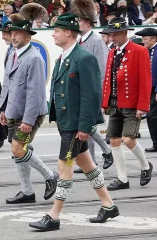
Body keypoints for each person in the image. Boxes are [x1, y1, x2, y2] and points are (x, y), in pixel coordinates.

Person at [29, 13, 119, 231]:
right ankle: (108, 205)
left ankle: (54, 216)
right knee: (86, 164)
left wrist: (85, 127)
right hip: (67, 122)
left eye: (57, 30)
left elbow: (91, 95)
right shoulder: (63, 57)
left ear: (68, 32)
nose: (53, 34)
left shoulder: (83, 57)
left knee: (64, 165)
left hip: (76, 124)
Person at [0, 19, 58, 204]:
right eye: (12, 33)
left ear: (27, 36)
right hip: (14, 110)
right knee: (19, 150)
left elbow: (36, 92)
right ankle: (26, 191)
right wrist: (3, 109)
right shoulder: (13, 54)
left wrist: (28, 121)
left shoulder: (34, 57)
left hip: (29, 113)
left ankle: (50, 175)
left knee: (18, 148)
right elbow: (7, 84)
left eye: (17, 33)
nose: (13, 36)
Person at [102, 17, 153, 191]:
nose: (112, 37)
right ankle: (122, 179)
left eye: (115, 34)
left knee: (128, 139)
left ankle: (146, 166)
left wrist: (142, 106)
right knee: (114, 140)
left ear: (125, 33)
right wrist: (105, 101)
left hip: (132, 103)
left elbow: (146, 80)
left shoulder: (139, 51)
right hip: (115, 102)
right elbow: (108, 79)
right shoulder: (112, 52)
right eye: (111, 34)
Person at [71, 0, 114, 173]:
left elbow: (103, 69)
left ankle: (107, 150)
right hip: (80, 89)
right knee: (85, 125)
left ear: (87, 22)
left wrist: (102, 95)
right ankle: (94, 158)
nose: (76, 23)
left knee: (87, 124)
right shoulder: (78, 41)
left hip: (91, 90)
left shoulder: (96, 41)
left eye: (79, 20)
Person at [136, 28, 157, 153]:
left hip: (155, 88)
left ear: (154, 38)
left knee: (152, 115)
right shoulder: (146, 52)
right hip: (148, 88)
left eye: (146, 39)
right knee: (151, 116)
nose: (144, 41)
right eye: (143, 39)